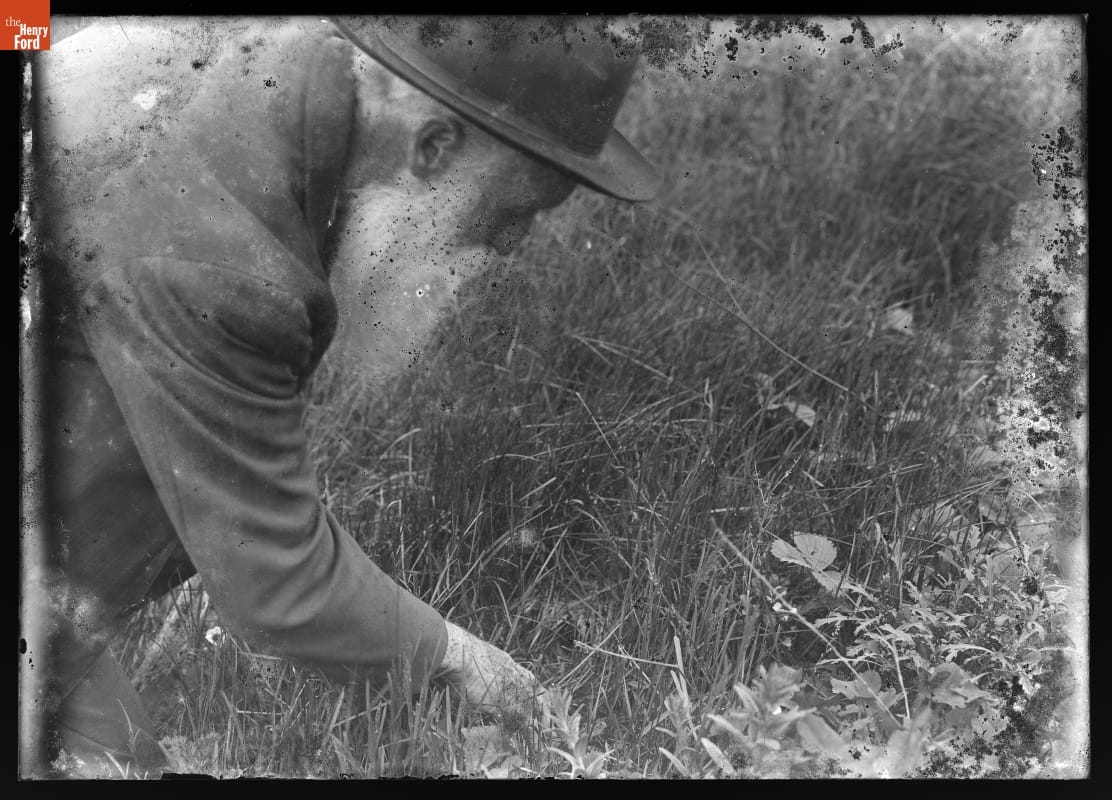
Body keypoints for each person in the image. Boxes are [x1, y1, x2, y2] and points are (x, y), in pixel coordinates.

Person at [22, 15, 658, 778]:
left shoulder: (285, 79)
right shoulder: (219, 256)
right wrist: (461, 662)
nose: (510, 246)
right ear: (433, 147)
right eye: (510, 212)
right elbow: (274, 577)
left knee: (113, 754)